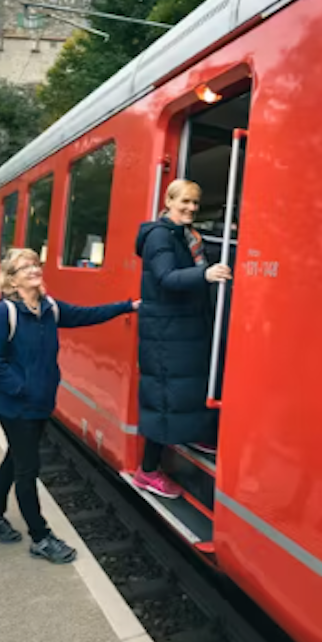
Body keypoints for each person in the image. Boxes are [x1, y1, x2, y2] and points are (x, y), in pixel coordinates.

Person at [0, 248, 138, 563]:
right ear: (11, 279)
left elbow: (86, 315)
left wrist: (127, 307)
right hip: (17, 407)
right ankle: (40, 537)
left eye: (36, 264)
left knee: (15, 460)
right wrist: (22, 389)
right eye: (25, 267)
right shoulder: (4, 313)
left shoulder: (48, 308)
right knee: (27, 469)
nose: (34, 269)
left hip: (40, 403)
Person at [133, 179, 232, 499]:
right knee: (164, 399)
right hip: (166, 333)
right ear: (169, 200)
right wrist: (205, 275)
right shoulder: (159, 235)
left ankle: (191, 433)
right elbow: (166, 277)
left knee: (186, 387)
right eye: (185, 202)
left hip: (181, 329)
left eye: (195, 203)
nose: (190, 208)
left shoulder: (186, 235)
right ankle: (147, 471)